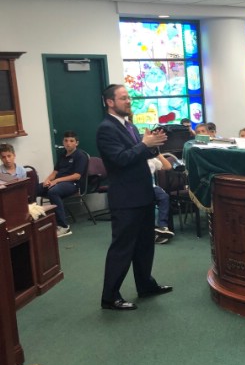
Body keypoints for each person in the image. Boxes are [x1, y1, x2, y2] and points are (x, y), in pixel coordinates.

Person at [97, 84, 172, 311]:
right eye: (123, 98)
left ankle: (145, 285)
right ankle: (110, 297)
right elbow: (120, 159)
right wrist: (143, 145)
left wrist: (153, 145)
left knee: (144, 245)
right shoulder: (106, 129)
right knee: (122, 248)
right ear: (110, 102)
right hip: (126, 198)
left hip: (143, 194)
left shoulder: (129, 125)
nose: (128, 101)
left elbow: (139, 154)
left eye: (129, 97)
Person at [36, 131, 88, 237]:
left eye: (71, 141)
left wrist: (57, 181)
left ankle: (64, 227)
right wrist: (47, 180)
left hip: (73, 184)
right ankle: (35, 222)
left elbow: (77, 176)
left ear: (76, 143)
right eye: (66, 141)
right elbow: (55, 172)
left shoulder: (80, 155)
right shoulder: (62, 155)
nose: (68, 143)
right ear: (63, 142)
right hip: (59, 183)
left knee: (53, 192)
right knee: (36, 189)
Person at [147, 153, 175, 244]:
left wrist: (158, 154)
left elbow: (168, 167)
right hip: (136, 187)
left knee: (164, 197)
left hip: (151, 187)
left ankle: (162, 226)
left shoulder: (151, 158)